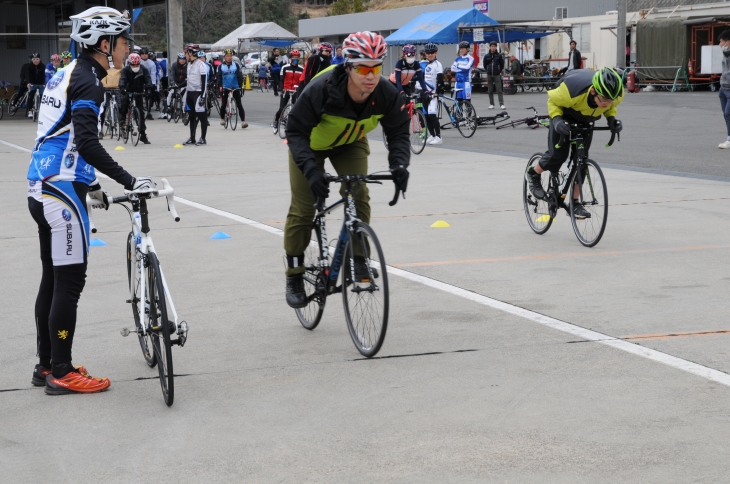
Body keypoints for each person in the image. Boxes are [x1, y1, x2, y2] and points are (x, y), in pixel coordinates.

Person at [27, 6, 152, 396]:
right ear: (104, 43)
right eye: (123, 40)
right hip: (61, 194)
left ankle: (46, 364)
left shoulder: (67, 72)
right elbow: (85, 142)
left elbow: (63, 137)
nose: (127, 47)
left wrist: (93, 182)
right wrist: (131, 180)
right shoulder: (89, 82)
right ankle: (61, 372)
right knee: (70, 282)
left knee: (52, 277)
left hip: (41, 186)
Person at [283, 31, 410, 308]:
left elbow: (399, 133)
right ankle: (294, 273)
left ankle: (359, 260)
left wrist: (399, 165)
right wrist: (311, 170)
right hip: (310, 146)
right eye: (363, 68)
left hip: (350, 143)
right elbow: (294, 132)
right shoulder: (322, 89)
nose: (371, 75)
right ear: (348, 66)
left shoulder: (386, 94)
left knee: (359, 194)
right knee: (304, 209)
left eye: (377, 67)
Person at [525, 68, 624, 219]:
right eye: (604, 100)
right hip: (564, 113)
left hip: (586, 120)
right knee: (558, 156)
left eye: (611, 100)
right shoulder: (571, 90)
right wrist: (557, 119)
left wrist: (611, 118)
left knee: (581, 161)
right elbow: (552, 101)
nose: (607, 103)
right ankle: (533, 173)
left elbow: (611, 106)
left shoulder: (615, 94)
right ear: (593, 92)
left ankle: (575, 203)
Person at [119, 52, 152, 144]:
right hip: (128, 91)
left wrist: (149, 88)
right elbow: (123, 79)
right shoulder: (125, 70)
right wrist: (122, 87)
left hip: (139, 92)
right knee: (124, 105)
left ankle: (143, 135)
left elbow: (148, 79)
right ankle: (122, 121)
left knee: (140, 113)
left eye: (137, 64)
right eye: (133, 65)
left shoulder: (143, 69)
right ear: (130, 63)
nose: (135, 66)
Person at [183, 45, 209, 146]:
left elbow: (204, 82)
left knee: (202, 117)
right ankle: (192, 138)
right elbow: (188, 80)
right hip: (189, 93)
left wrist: (202, 96)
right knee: (192, 116)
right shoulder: (189, 64)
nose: (185, 55)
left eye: (186, 53)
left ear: (190, 53)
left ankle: (203, 138)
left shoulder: (201, 65)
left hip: (198, 93)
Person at [217, 48, 248, 129]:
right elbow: (219, 77)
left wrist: (241, 86)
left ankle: (243, 121)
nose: (229, 57)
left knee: (239, 104)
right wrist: (220, 85)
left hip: (235, 87)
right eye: (227, 56)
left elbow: (239, 76)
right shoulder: (221, 66)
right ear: (224, 57)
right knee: (223, 104)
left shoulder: (236, 65)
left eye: (230, 56)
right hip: (225, 87)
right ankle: (222, 118)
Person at [422, 43, 444, 145]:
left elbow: (440, 81)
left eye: (432, 53)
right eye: (428, 53)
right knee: (426, 115)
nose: (430, 54)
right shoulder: (427, 65)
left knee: (432, 115)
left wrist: (437, 93)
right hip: (426, 94)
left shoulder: (438, 65)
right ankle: (432, 135)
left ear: (436, 53)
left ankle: (439, 137)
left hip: (433, 94)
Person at [274, 49, 303, 125]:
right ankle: (276, 120)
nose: (295, 59)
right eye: (294, 57)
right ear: (290, 58)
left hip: (295, 91)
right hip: (286, 90)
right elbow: (281, 80)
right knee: (281, 109)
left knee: (295, 110)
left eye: (297, 57)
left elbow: (302, 82)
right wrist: (282, 88)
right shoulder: (285, 67)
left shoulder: (301, 69)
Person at [16, 53, 46, 118]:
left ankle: (43, 111)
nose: (35, 61)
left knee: (43, 97)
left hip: (41, 84)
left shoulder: (43, 66)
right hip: (32, 83)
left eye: (37, 59)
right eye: (34, 59)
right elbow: (27, 75)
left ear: (39, 59)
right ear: (31, 60)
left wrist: (46, 83)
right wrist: (28, 83)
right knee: (31, 96)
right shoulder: (29, 66)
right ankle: (30, 111)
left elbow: (45, 75)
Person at [162, 52, 187, 119]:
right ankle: (168, 107)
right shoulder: (174, 65)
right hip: (175, 82)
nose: (182, 60)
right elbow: (172, 74)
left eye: (184, 58)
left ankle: (184, 112)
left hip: (183, 84)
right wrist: (172, 82)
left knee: (184, 97)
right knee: (170, 93)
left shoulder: (187, 65)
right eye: (181, 59)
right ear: (178, 59)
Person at [483, 41, 505, 110]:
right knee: (490, 90)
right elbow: (484, 64)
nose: (493, 47)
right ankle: (491, 104)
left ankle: (501, 104)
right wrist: (488, 70)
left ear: (496, 47)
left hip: (497, 75)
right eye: (492, 46)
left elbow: (502, 64)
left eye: (494, 46)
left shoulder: (499, 56)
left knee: (499, 90)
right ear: (490, 47)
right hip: (489, 74)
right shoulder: (486, 56)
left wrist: (499, 70)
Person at [718, 29, 730, 149]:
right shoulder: (725, 53)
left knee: (728, 113)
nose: (720, 44)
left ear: (728, 42)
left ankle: (729, 139)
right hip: (723, 88)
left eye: (721, 41)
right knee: (726, 114)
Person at [138, 48, 157, 119]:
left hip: (148, 81)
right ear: (140, 55)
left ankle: (149, 112)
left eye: (146, 54)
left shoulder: (151, 63)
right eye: (142, 54)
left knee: (150, 96)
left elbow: (153, 74)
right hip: (139, 81)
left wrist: (153, 84)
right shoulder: (138, 62)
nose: (144, 55)